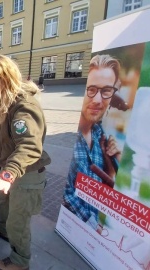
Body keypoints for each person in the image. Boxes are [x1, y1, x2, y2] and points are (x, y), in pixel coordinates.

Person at [0, 55, 51, 270]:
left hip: (27, 173)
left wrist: (7, 175)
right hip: (8, 169)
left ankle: (20, 261)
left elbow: (29, 146)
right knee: (2, 205)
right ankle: (3, 231)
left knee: (18, 221)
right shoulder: (2, 100)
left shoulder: (23, 107)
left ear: (5, 78)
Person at [63, 55, 122, 231]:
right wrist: (92, 223)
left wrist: (114, 166)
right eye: (92, 89)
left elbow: (105, 189)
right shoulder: (75, 139)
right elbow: (66, 194)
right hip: (75, 229)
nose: (97, 100)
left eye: (106, 91)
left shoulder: (101, 136)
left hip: (97, 233)